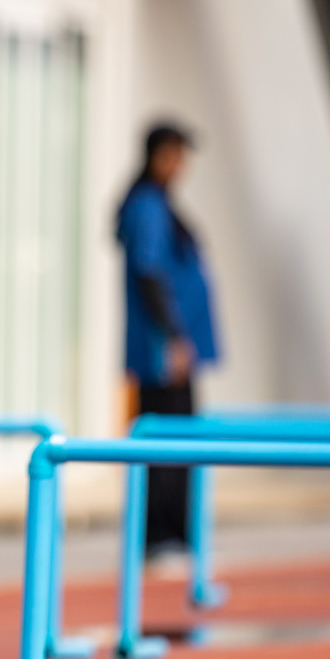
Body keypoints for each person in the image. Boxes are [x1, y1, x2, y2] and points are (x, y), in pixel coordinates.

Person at [116, 122, 219, 561]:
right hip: (163, 353)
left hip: (172, 349)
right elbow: (150, 273)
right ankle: (160, 536)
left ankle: (173, 534)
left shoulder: (158, 205)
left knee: (178, 443)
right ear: (159, 155)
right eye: (177, 155)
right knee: (167, 445)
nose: (183, 166)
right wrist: (175, 338)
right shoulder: (147, 207)